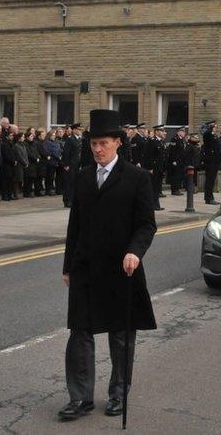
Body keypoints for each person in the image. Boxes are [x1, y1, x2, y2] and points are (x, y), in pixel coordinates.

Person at [59, 109, 157, 421]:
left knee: (120, 336)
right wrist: (68, 266)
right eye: (93, 144)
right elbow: (75, 225)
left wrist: (134, 252)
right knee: (80, 334)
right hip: (86, 268)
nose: (97, 149)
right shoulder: (84, 177)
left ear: (117, 143)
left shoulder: (137, 178)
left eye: (103, 143)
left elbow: (146, 225)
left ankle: (117, 395)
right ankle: (80, 398)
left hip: (121, 268)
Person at [142, 125, 167, 211]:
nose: (164, 132)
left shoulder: (161, 142)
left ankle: (156, 204)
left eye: (164, 131)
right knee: (154, 187)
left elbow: (162, 156)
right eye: (162, 130)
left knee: (158, 187)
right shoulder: (152, 141)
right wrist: (150, 168)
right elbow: (148, 156)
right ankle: (153, 205)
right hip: (154, 168)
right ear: (156, 132)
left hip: (160, 168)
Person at [61, 124, 82, 207]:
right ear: (73, 130)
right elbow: (66, 153)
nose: (80, 130)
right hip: (71, 165)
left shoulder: (79, 139)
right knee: (69, 183)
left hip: (77, 165)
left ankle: (73, 199)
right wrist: (66, 164)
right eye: (78, 129)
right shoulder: (70, 140)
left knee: (75, 183)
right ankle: (67, 200)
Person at [201, 121, 221, 204]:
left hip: (214, 161)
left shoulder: (213, 135)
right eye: (214, 126)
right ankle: (209, 198)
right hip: (210, 161)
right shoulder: (208, 134)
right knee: (209, 180)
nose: (216, 127)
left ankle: (210, 197)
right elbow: (205, 133)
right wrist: (208, 127)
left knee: (211, 180)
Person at [167, 127, 186, 195]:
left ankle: (177, 188)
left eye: (184, 131)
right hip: (175, 161)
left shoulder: (181, 140)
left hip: (180, 161)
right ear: (178, 132)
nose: (184, 133)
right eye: (182, 131)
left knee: (179, 175)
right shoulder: (174, 139)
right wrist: (173, 160)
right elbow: (172, 151)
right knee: (175, 176)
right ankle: (174, 190)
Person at [45, 129, 62, 195]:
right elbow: (53, 151)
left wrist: (60, 154)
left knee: (53, 177)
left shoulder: (55, 142)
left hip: (56, 161)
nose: (54, 136)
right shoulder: (48, 142)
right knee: (50, 176)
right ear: (49, 136)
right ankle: (48, 190)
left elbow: (59, 149)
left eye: (54, 135)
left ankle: (52, 189)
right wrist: (58, 156)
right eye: (53, 135)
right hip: (51, 162)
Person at [13, 132, 28, 199]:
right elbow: (19, 156)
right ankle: (16, 194)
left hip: (24, 165)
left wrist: (27, 162)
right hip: (19, 165)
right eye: (22, 137)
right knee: (17, 179)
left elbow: (25, 155)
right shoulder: (17, 146)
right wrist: (24, 162)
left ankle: (20, 193)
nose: (24, 138)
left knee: (21, 180)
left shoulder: (23, 145)